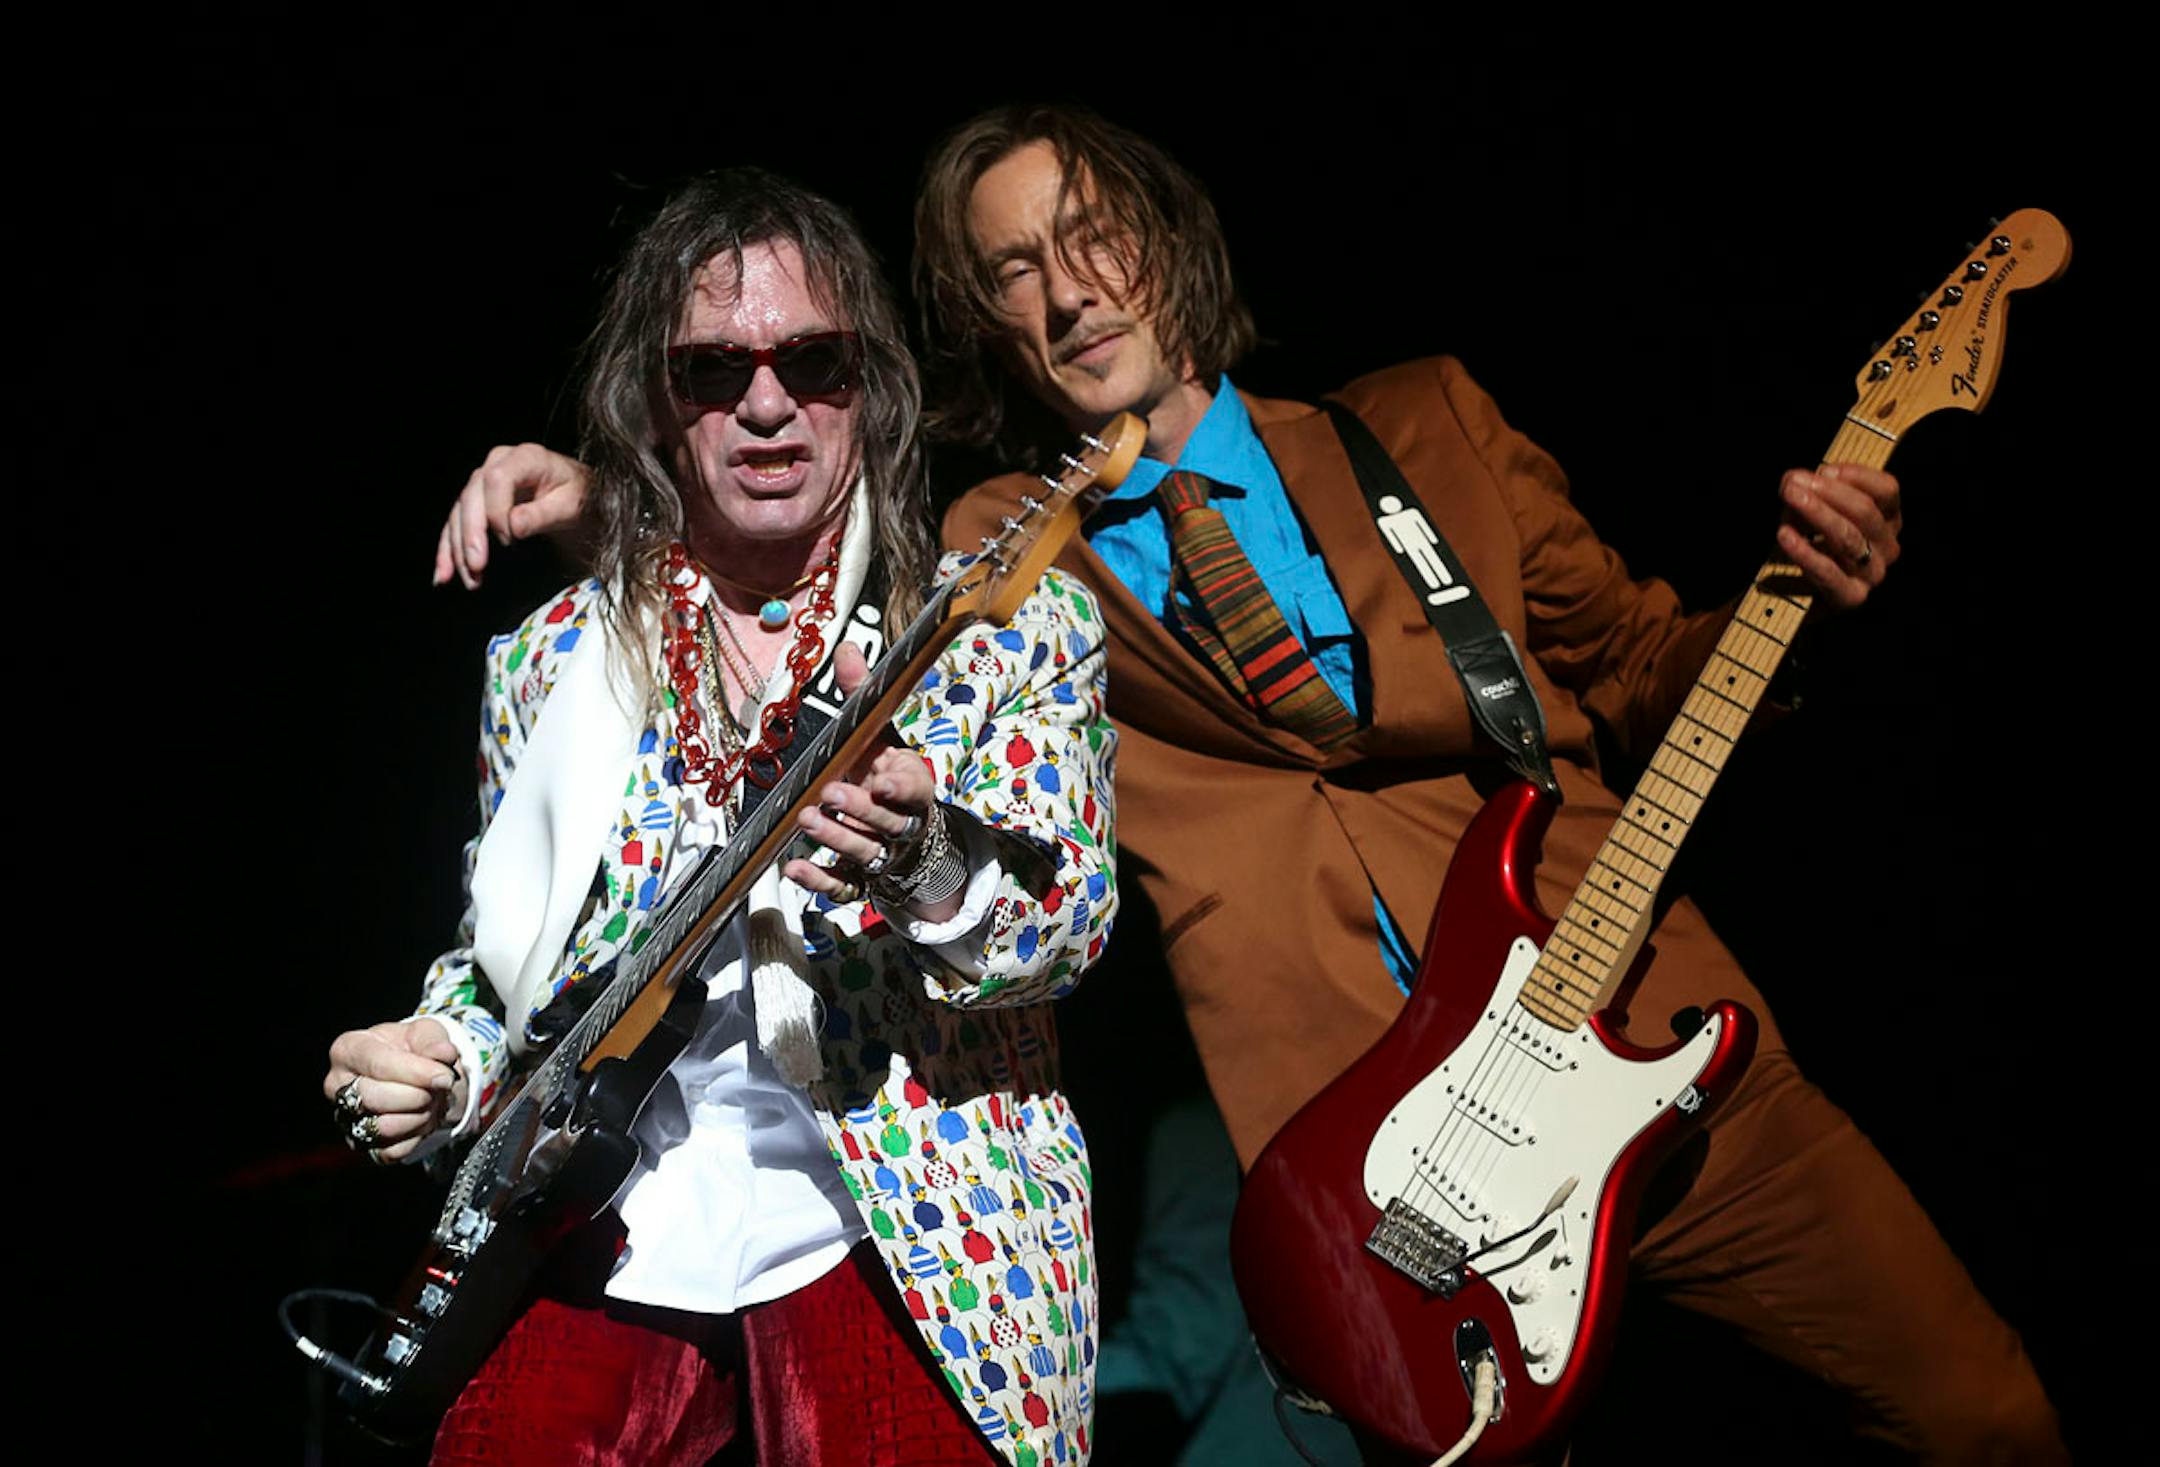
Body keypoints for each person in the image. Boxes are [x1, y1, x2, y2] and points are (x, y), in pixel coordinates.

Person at [431, 113, 2066, 1461]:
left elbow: (1647, 667)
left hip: (1641, 1032)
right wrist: (624, 499)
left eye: (1093, 239)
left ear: (1170, 238)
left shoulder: (1426, 423)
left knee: (1982, 1413)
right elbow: (810, 572)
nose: (1068, 297)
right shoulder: (1011, 548)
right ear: (978, 323)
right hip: (1366, 1175)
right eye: (1012, 273)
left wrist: (1807, 609)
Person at [327, 169, 1116, 1467]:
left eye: (815, 361)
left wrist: (930, 861)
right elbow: (507, 975)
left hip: (905, 1235)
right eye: (714, 370)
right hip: (607, 1228)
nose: (766, 403)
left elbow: (1067, 924)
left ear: (876, 387)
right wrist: (438, 1063)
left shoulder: (1006, 627)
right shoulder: (551, 660)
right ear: (656, 397)